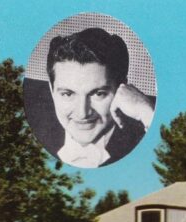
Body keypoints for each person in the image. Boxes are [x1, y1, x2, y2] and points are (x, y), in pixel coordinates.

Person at [43, 27, 154, 168]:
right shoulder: (29, 127)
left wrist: (146, 112)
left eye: (98, 94)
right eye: (68, 94)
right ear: (51, 90)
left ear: (122, 89)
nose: (82, 113)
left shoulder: (145, 127)